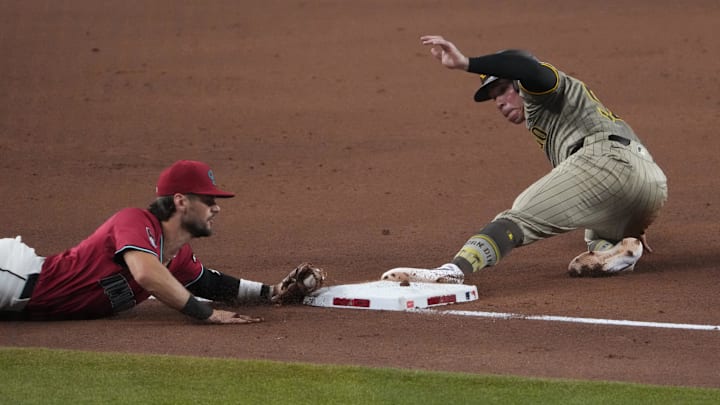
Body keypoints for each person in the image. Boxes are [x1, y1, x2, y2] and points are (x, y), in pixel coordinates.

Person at [382, 35, 668, 284]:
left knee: (517, 217)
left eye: (503, 90)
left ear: (519, 85)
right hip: (649, 183)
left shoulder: (539, 90)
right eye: (494, 97)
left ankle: (451, 271)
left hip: (605, 163)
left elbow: (527, 66)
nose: (499, 102)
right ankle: (622, 248)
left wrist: (467, 63)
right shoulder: (567, 111)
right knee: (593, 234)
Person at [0, 160, 304, 323]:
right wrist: (204, 313)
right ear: (181, 201)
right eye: (209, 200)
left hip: (21, 304)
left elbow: (212, 285)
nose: (216, 208)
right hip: (13, 275)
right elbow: (145, 273)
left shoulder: (178, 256)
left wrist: (273, 292)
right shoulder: (134, 221)